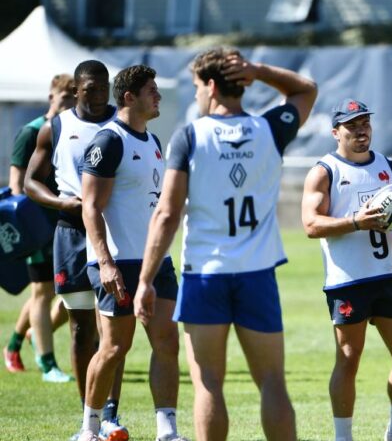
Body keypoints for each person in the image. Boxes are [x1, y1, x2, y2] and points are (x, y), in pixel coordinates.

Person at [133, 48, 317, 441]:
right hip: (257, 275)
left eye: (198, 86)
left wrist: (146, 280)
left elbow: (166, 214)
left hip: (205, 276)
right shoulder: (270, 129)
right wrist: (259, 70)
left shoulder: (189, 136)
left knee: (209, 384)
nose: (197, 94)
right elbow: (306, 91)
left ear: (211, 86)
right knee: (272, 382)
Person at [77, 65, 187, 441]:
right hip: (118, 262)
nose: (157, 96)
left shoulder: (153, 142)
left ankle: (166, 430)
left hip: (156, 261)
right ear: (129, 97)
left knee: (167, 342)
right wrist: (105, 262)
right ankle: (88, 429)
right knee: (114, 347)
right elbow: (89, 207)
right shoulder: (109, 142)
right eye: (151, 91)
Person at [301, 99, 392, 441]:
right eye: (352, 125)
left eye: (365, 123)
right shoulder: (324, 171)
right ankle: (344, 437)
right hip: (347, 280)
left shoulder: (389, 167)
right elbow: (310, 224)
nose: (361, 130)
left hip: (388, 276)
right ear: (336, 132)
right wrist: (355, 221)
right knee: (349, 358)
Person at [24, 60, 127, 440]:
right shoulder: (58, 126)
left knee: (112, 330)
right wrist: (60, 202)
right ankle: (89, 418)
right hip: (71, 233)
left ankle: (110, 414)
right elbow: (32, 182)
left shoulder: (123, 123)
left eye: (105, 88)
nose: (100, 95)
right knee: (82, 330)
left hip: (114, 233)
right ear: (77, 90)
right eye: (92, 89)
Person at [4, 73, 74, 382]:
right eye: (64, 98)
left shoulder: (74, 132)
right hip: (36, 228)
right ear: (51, 97)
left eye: (75, 99)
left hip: (64, 224)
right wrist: (31, 231)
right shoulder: (31, 132)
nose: (69, 104)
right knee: (43, 292)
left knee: (66, 294)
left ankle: (18, 341)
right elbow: (17, 185)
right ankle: (48, 365)